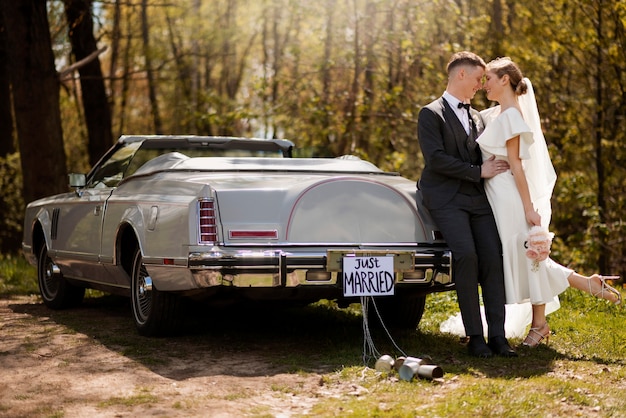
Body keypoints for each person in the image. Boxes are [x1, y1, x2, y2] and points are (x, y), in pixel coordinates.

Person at [477, 57, 622, 347]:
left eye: (489, 79)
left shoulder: (512, 117)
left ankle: (541, 324)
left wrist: (529, 208)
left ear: (505, 79)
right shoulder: (500, 114)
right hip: (498, 193)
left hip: (509, 196)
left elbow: (517, 166)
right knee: (525, 256)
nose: (484, 85)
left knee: (528, 256)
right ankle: (583, 285)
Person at [417, 51, 517, 358]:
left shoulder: (477, 117)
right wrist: (478, 172)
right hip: (445, 198)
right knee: (467, 257)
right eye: (477, 79)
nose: (480, 85)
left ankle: (498, 337)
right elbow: (435, 159)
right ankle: (475, 337)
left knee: (492, 258)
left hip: (477, 198)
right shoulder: (430, 113)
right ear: (461, 75)